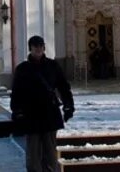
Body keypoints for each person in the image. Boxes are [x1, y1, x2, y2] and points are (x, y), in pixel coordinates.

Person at [11, 35, 74, 172]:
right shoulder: (23, 68)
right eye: (35, 46)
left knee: (50, 151)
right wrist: (17, 111)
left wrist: (68, 105)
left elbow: (63, 86)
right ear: (30, 49)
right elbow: (17, 92)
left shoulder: (52, 65)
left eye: (40, 46)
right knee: (33, 153)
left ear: (44, 48)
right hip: (31, 114)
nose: (38, 49)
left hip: (49, 113)